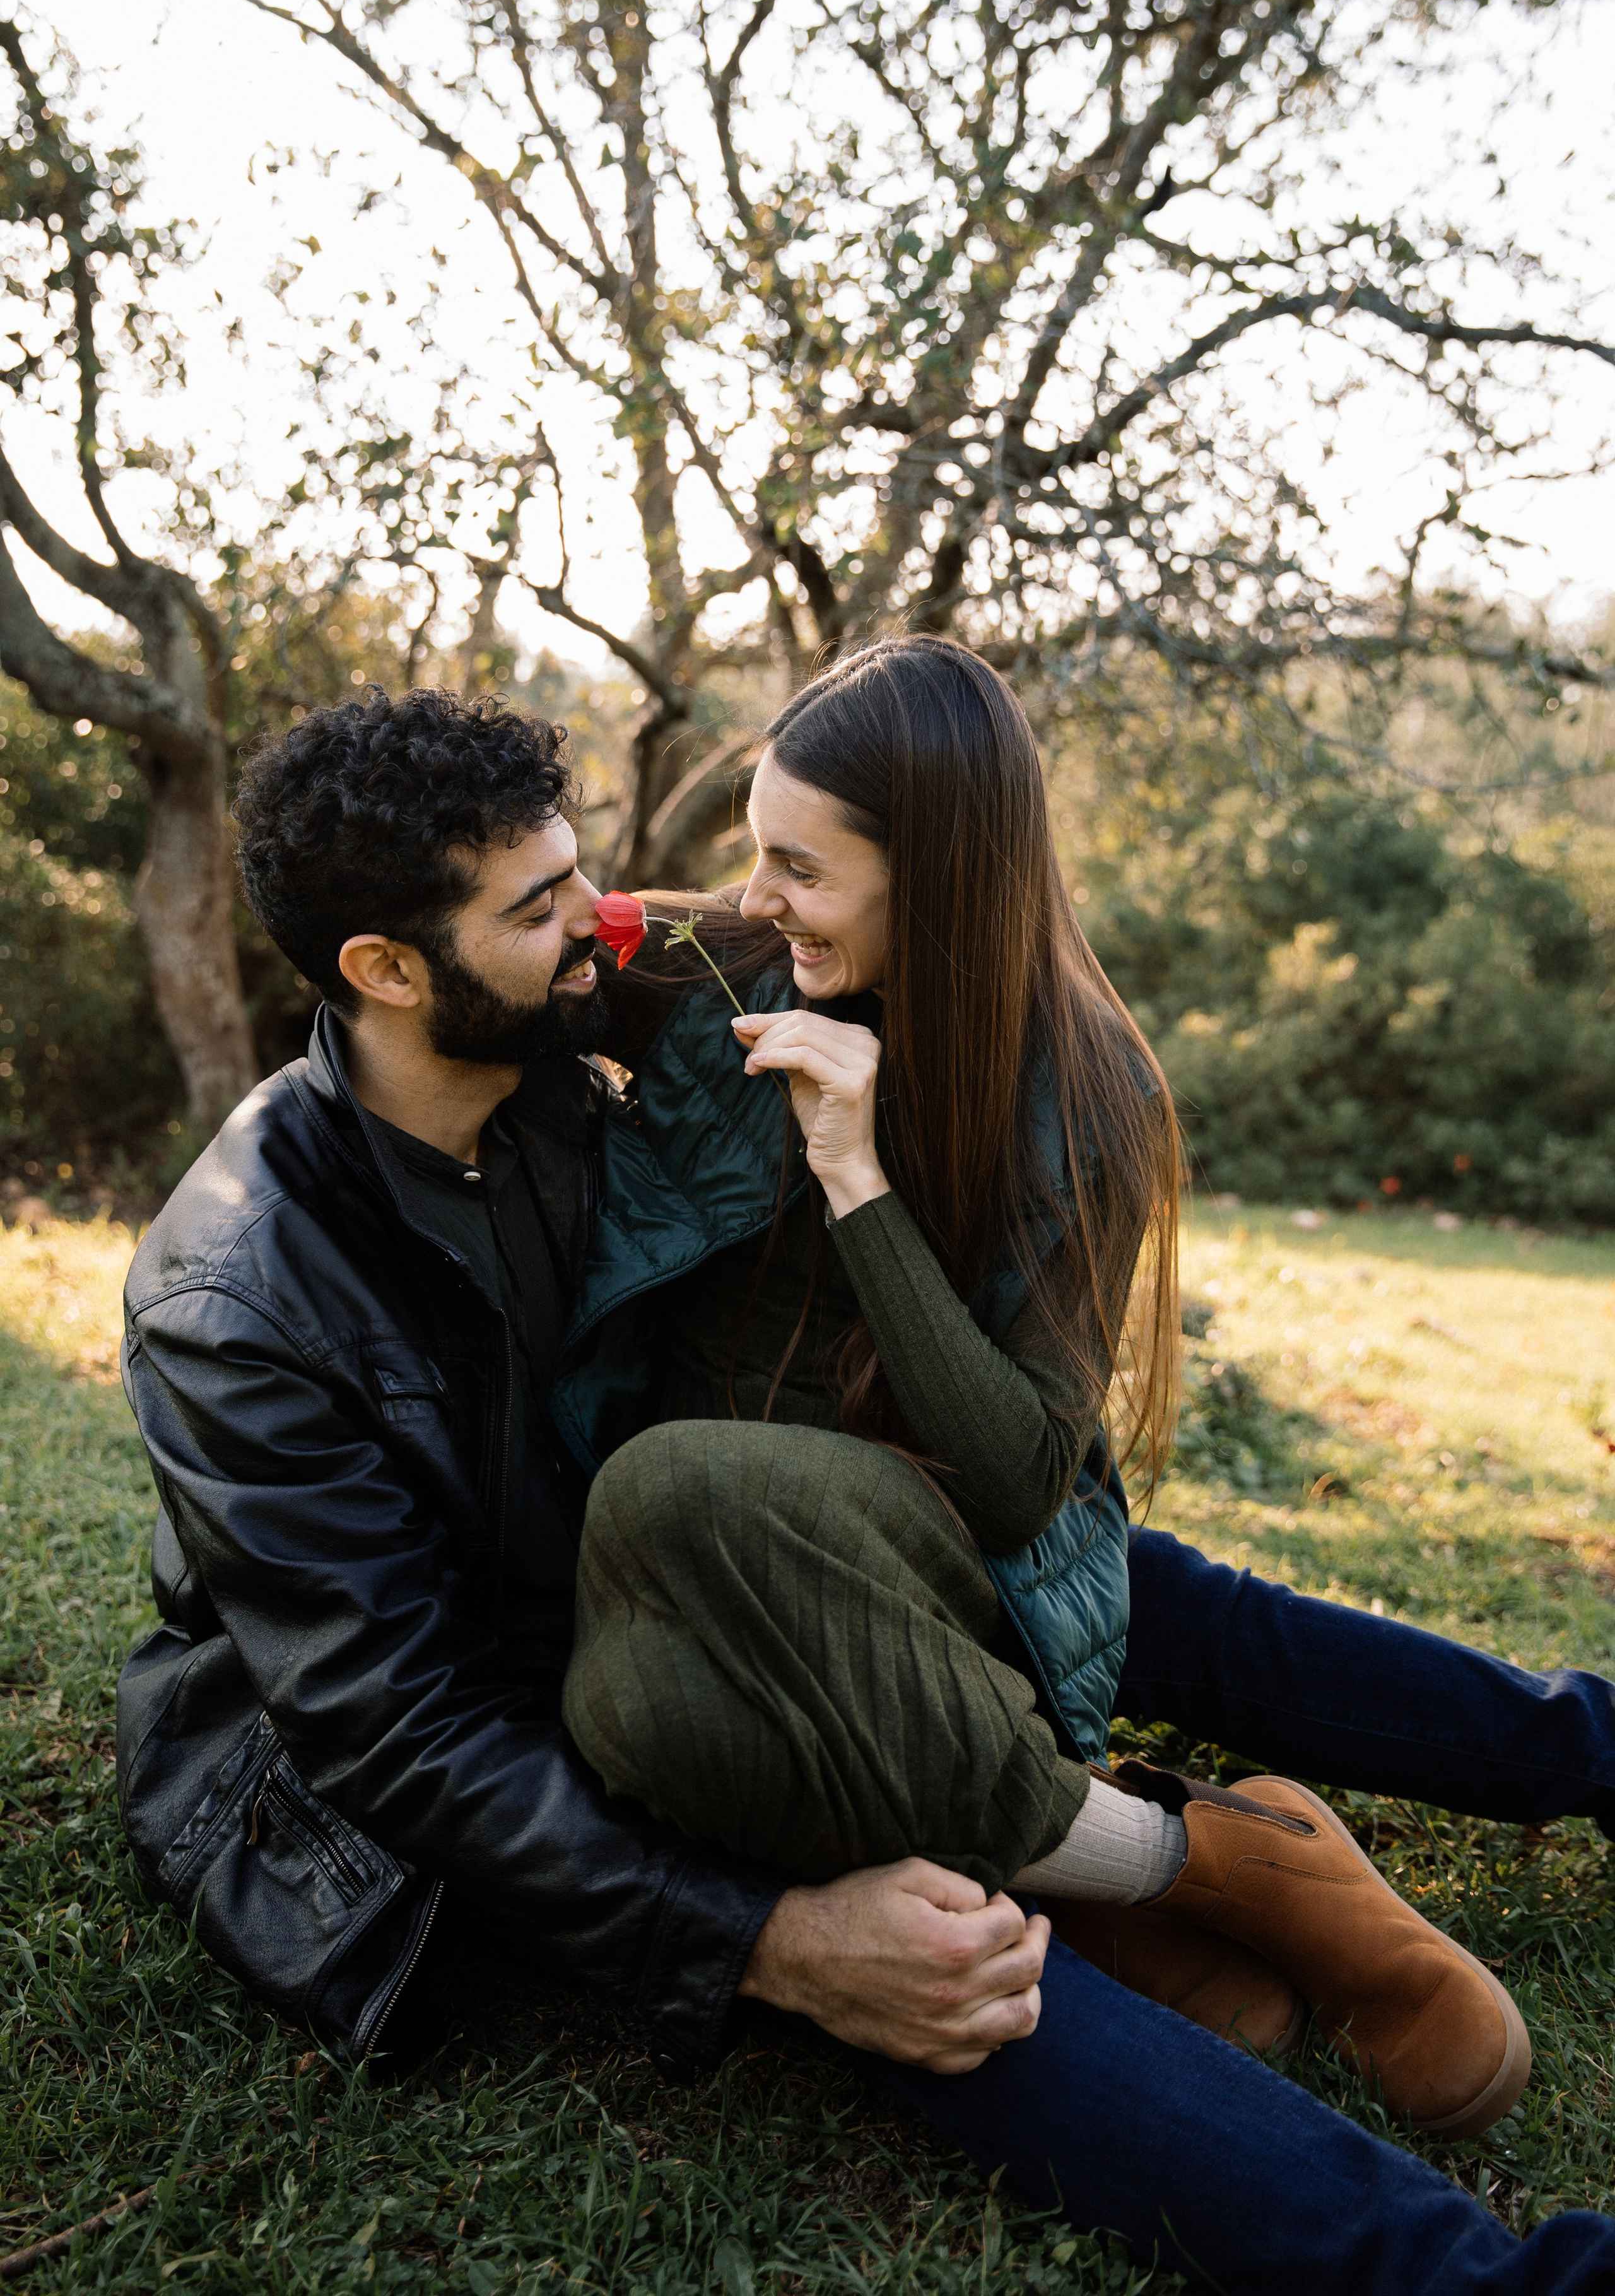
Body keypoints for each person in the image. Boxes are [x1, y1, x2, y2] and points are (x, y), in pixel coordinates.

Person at [115, 681, 1615, 2294]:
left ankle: (1561, 1748)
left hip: (706, 1550)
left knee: (1103, 1579)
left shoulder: (544, 1059)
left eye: (581, 881)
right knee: (905, 1947)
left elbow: (752, 953)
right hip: (497, 1719)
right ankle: (1454, 2232)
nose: (602, 927)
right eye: (547, 907)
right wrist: (762, 1941)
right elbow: (397, 1727)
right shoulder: (238, 1298)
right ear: (387, 971)